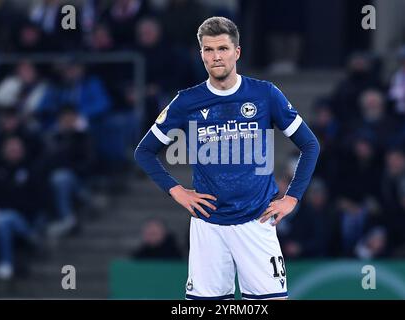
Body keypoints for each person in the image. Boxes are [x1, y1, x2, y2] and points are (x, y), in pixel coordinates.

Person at [134, 17, 320, 300]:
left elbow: (310, 144)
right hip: (208, 225)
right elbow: (144, 151)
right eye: (208, 50)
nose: (216, 56)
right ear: (201, 55)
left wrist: (292, 197)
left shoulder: (264, 94)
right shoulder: (186, 101)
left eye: (222, 48)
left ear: (237, 52)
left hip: (257, 222)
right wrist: (177, 192)